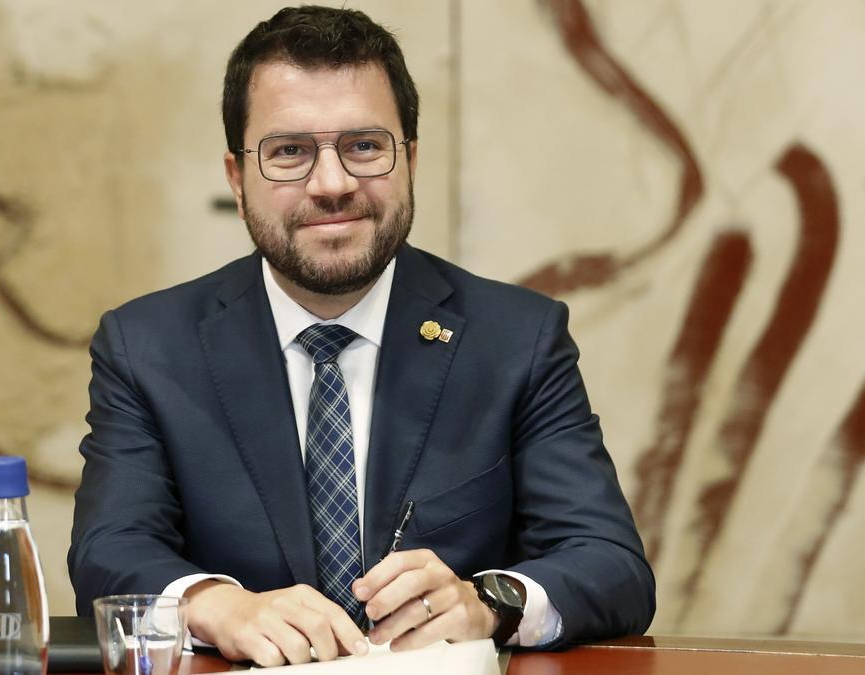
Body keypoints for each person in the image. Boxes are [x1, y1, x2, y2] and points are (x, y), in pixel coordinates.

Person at [68, 5, 654, 667]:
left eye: (364, 147)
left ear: (410, 160)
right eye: (289, 152)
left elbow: (611, 564)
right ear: (237, 178)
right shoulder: (148, 347)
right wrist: (219, 605)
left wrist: (487, 601)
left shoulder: (517, 339)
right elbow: (109, 551)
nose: (332, 184)